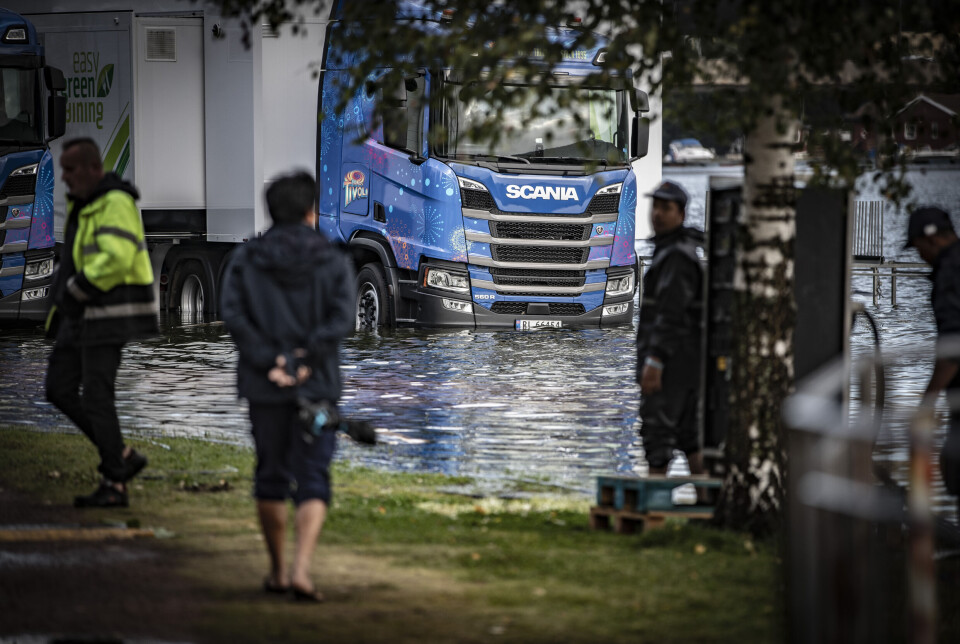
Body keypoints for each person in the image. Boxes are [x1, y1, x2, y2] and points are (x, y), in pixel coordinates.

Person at [220, 170, 355, 602]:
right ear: (311, 210)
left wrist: (272, 361)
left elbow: (234, 317)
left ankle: (277, 571)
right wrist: (304, 360)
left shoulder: (246, 259)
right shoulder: (334, 259)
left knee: (271, 475)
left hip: (264, 385)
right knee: (314, 474)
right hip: (318, 383)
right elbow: (341, 319)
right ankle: (301, 570)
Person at [45, 137, 158, 508]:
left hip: (107, 315)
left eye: (71, 169)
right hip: (82, 314)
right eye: (63, 170)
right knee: (59, 389)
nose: (64, 178)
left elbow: (115, 257)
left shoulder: (115, 202)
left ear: (95, 168)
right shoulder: (86, 204)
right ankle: (121, 457)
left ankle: (115, 481)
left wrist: (76, 291)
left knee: (96, 396)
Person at [635, 181, 704, 476]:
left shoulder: (676, 255)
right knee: (691, 438)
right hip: (686, 363)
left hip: (671, 365)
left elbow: (670, 315)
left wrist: (655, 360)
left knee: (657, 435)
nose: (658, 214)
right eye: (656, 207)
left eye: (667, 208)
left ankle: (655, 510)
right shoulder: (679, 250)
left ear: (681, 213)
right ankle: (708, 504)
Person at [904, 206, 960, 517]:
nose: (920, 256)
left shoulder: (950, 271)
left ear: (933, 240)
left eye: (918, 249)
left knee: (954, 470)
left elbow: (953, 344)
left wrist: (927, 402)